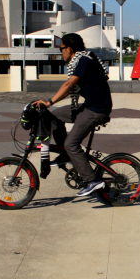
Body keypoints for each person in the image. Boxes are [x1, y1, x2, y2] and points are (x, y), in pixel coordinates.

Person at [33, 33, 112, 196]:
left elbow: (69, 85)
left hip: (96, 110)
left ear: (69, 49)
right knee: (54, 116)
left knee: (71, 144)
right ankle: (65, 153)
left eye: (61, 49)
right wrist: (49, 106)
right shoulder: (81, 60)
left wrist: (49, 101)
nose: (60, 52)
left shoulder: (83, 61)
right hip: (89, 106)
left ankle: (92, 180)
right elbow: (69, 88)